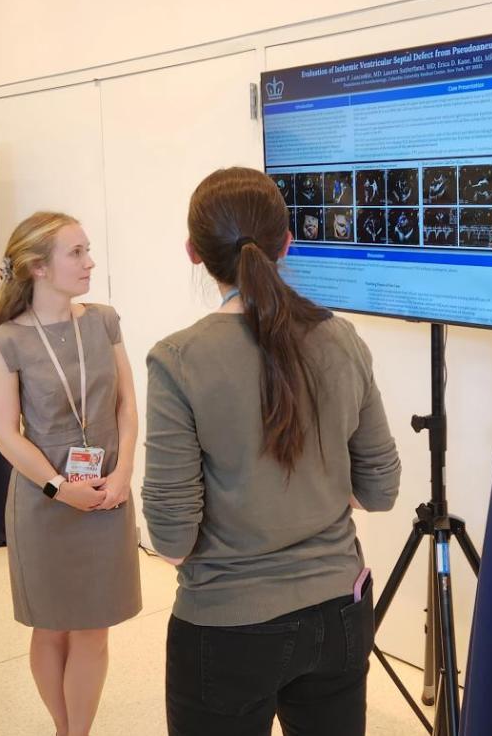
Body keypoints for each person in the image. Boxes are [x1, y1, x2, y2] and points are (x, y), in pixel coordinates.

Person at [142, 167, 402, 736]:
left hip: (225, 628)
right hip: (338, 613)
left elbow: (170, 535)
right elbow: (379, 489)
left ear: (193, 252)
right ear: (287, 243)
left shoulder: (178, 360)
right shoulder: (341, 337)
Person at [0, 212, 143, 736]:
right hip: (44, 501)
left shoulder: (102, 320)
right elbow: (7, 434)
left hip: (107, 494)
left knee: (93, 629)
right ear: (37, 267)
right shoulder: (5, 342)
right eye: (76, 253)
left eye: (87, 250)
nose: (89, 261)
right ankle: (64, 731)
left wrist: (122, 475)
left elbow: (126, 405)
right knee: (51, 629)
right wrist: (58, 487)